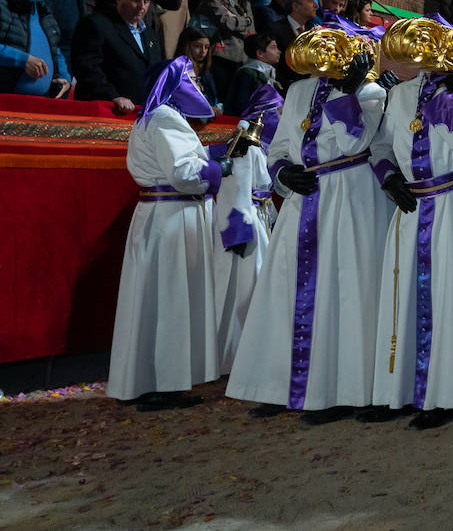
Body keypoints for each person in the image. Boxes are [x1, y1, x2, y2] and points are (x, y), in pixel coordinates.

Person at [226, 32, 390, 422]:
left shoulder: (372, 94)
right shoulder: (300, 90)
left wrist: (348, 92)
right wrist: (283, 171)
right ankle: (280, 384)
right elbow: (281, 146)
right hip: (305, 200)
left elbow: (354, 143)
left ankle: (341, 390)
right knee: (285, 288)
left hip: (349, 199)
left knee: (344, 290)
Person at [367, 23, 453, 429]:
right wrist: (389, 177)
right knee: (402, 297)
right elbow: (380, 144)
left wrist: (444, 93)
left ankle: (447, 396)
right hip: (412, 207)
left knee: (451, 297)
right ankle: (398, 390)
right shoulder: (401, 93)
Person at [105, 56, 228, 410]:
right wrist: (220, 169)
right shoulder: (166, 119)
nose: (198, 85)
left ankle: (143, 380)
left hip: (158, 215)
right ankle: (164, 382)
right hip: (172, 217)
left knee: (151, 298)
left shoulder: (152, 117)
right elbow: (184, 174)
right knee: (170, 298)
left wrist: (214, 154)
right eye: (192, 79)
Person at [213, 83, 282, 373]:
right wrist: (238, 232)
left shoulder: (262, 146)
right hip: (248, 225)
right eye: (278, 112)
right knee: (246, 288)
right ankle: (239, 356)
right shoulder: (245, 144)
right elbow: (236, 188)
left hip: (261, 219)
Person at [72, 0, 163, 112]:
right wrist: (112, 96)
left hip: (141, 113)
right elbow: (86, 67)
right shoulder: (96, 24)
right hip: (106, 110)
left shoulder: (150, 34)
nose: (142, 6)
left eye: (146, 1)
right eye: (136, 0)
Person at [0, 0, 70, 97]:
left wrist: (64, 76)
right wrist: (21, 59)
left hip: (39, 102)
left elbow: (55, 48)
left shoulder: (43, 9)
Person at [199, 0, 254, 95]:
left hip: (243, 58)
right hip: (223, 56)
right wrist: (245, 21)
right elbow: (225, 22)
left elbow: (250, 32)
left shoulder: (244, 3)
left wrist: (236, 21)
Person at [268, 0, 318, 86]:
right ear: (295, 6)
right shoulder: (274, 30)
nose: (316, 5)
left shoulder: (312, 31)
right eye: (310, 1)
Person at [224, 33, 280, 117]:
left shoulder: (269, 72)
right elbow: (242, 106)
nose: (279, 51)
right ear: (260, 53)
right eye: (273, 48)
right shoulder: (247, 74)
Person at [175, 26, 220, 113]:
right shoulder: (178, 69)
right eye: (197, 46)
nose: (203, 51)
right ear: (186, 46)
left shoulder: (206, 72)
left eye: (206, 47)